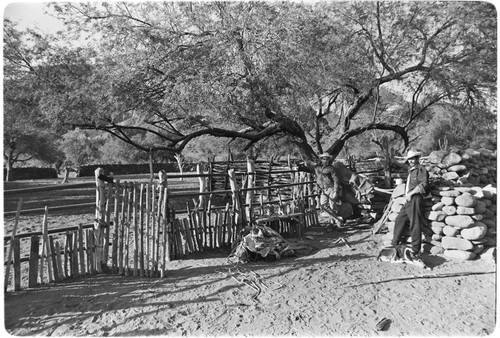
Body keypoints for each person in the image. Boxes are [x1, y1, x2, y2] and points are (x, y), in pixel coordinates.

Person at [391, 149, 429, 267]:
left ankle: (415, 250)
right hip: (408, 199)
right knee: (399, 220)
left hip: (415, 198)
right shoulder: (411, 171)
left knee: (414, 223)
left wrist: (411, 194)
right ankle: (394, 245)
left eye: (413, 159)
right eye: (410, 159)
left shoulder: (421, 170)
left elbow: (423, 184)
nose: (412, 161)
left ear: (417, 159)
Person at [298, 153, 344, 228]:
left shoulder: (331, 168)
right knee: (323, 205)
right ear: (321, 160)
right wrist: (301, 166)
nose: (325, 160)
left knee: (332, 206)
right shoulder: (317, 168)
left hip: (331, 188)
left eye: (327, 159)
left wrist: (335, 191)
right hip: (323, 190)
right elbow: (309, 169)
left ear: (329, 160)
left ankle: (332, 224)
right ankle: (337, 219)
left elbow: (336, 180)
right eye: (323, 158)